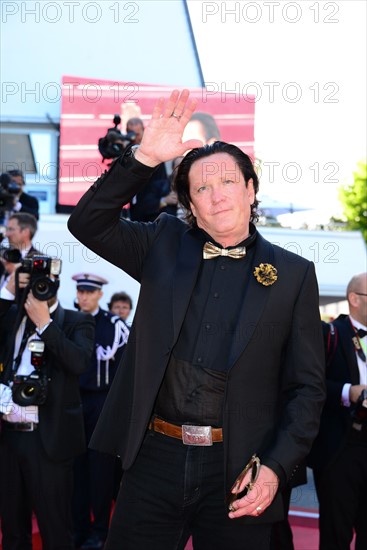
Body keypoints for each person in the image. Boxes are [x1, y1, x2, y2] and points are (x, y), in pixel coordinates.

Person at [68, 89, 326, 550]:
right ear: (189, 204)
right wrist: (144, 156)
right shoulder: (163, 242)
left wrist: (274, 466)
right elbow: (87, 222)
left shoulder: (293, 275)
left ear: (250, 189)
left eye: (227, 182)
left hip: (239, 468)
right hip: (153, 458)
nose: (216, 196)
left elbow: (307, 389)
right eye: (201, 188)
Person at [0, 260, 95, 550]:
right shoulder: (13, 316)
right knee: (13, 531)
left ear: (58, 282)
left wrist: (45, 323)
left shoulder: (77, 321)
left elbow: (78, 362)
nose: (41, 285)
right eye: (35, 279)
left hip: (48, 442)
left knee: (55, 531)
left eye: (47, 280)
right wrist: (8, 288)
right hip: (9, 437)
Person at [308, 272, 367, 550]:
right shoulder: (329, 333)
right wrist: (348, 392)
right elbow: (311, 384)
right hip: (341, 448)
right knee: (336, 533)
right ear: (354, 299)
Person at [71, 273, 129, 550]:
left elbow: (126, 371)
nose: (82, 296)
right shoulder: (68, 322)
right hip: (73, 404)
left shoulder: (116, 326)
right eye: (80, 291)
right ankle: (78, 528)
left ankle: (99, 531)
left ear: (98, 294)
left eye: (88, 292)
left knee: (101, 473)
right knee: (75, 469)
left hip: (103, 403)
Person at [126, 117, 178, 221]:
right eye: (131, 134)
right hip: (136, 210)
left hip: (154, 216)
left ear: (143, 132)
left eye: (137, 135)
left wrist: (162, 201)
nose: (134, 139)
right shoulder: (126, 153)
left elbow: (160, 188)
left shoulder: (154, 153)